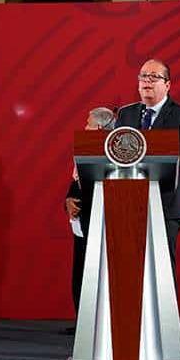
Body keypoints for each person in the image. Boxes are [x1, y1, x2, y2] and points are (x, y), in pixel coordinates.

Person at [115, 58, 180, 278]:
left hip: (166, 204)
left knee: (161, 271)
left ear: (167, 84)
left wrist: (145, 158)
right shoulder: (125, 114)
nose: (147, 81)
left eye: (154, 77)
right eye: (143, 76)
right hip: (128, 203)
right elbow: (114, 155)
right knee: (129, 270)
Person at [63, 107, 115, 335]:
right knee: (80, 272)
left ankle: (104, 325)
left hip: (103, 220)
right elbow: (76, 182)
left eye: (89, 124)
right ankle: (84, 323)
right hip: (81, 219)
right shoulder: (84, 151)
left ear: (100, 128)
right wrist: (68, 201)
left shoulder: (115, 154)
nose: (85, 127)